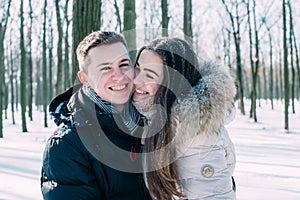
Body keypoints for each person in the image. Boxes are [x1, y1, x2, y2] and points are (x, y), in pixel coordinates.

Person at [40, 30, 152, 200]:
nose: (119, 76)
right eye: (106, 68)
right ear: (84, 79)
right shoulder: (66, 145)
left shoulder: (152, 122)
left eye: (123, 64)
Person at [132, 38, 237, 199]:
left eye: (150, 75)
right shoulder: (149, 116)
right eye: (137, 69)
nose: (136, 80)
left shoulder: (197, 136)